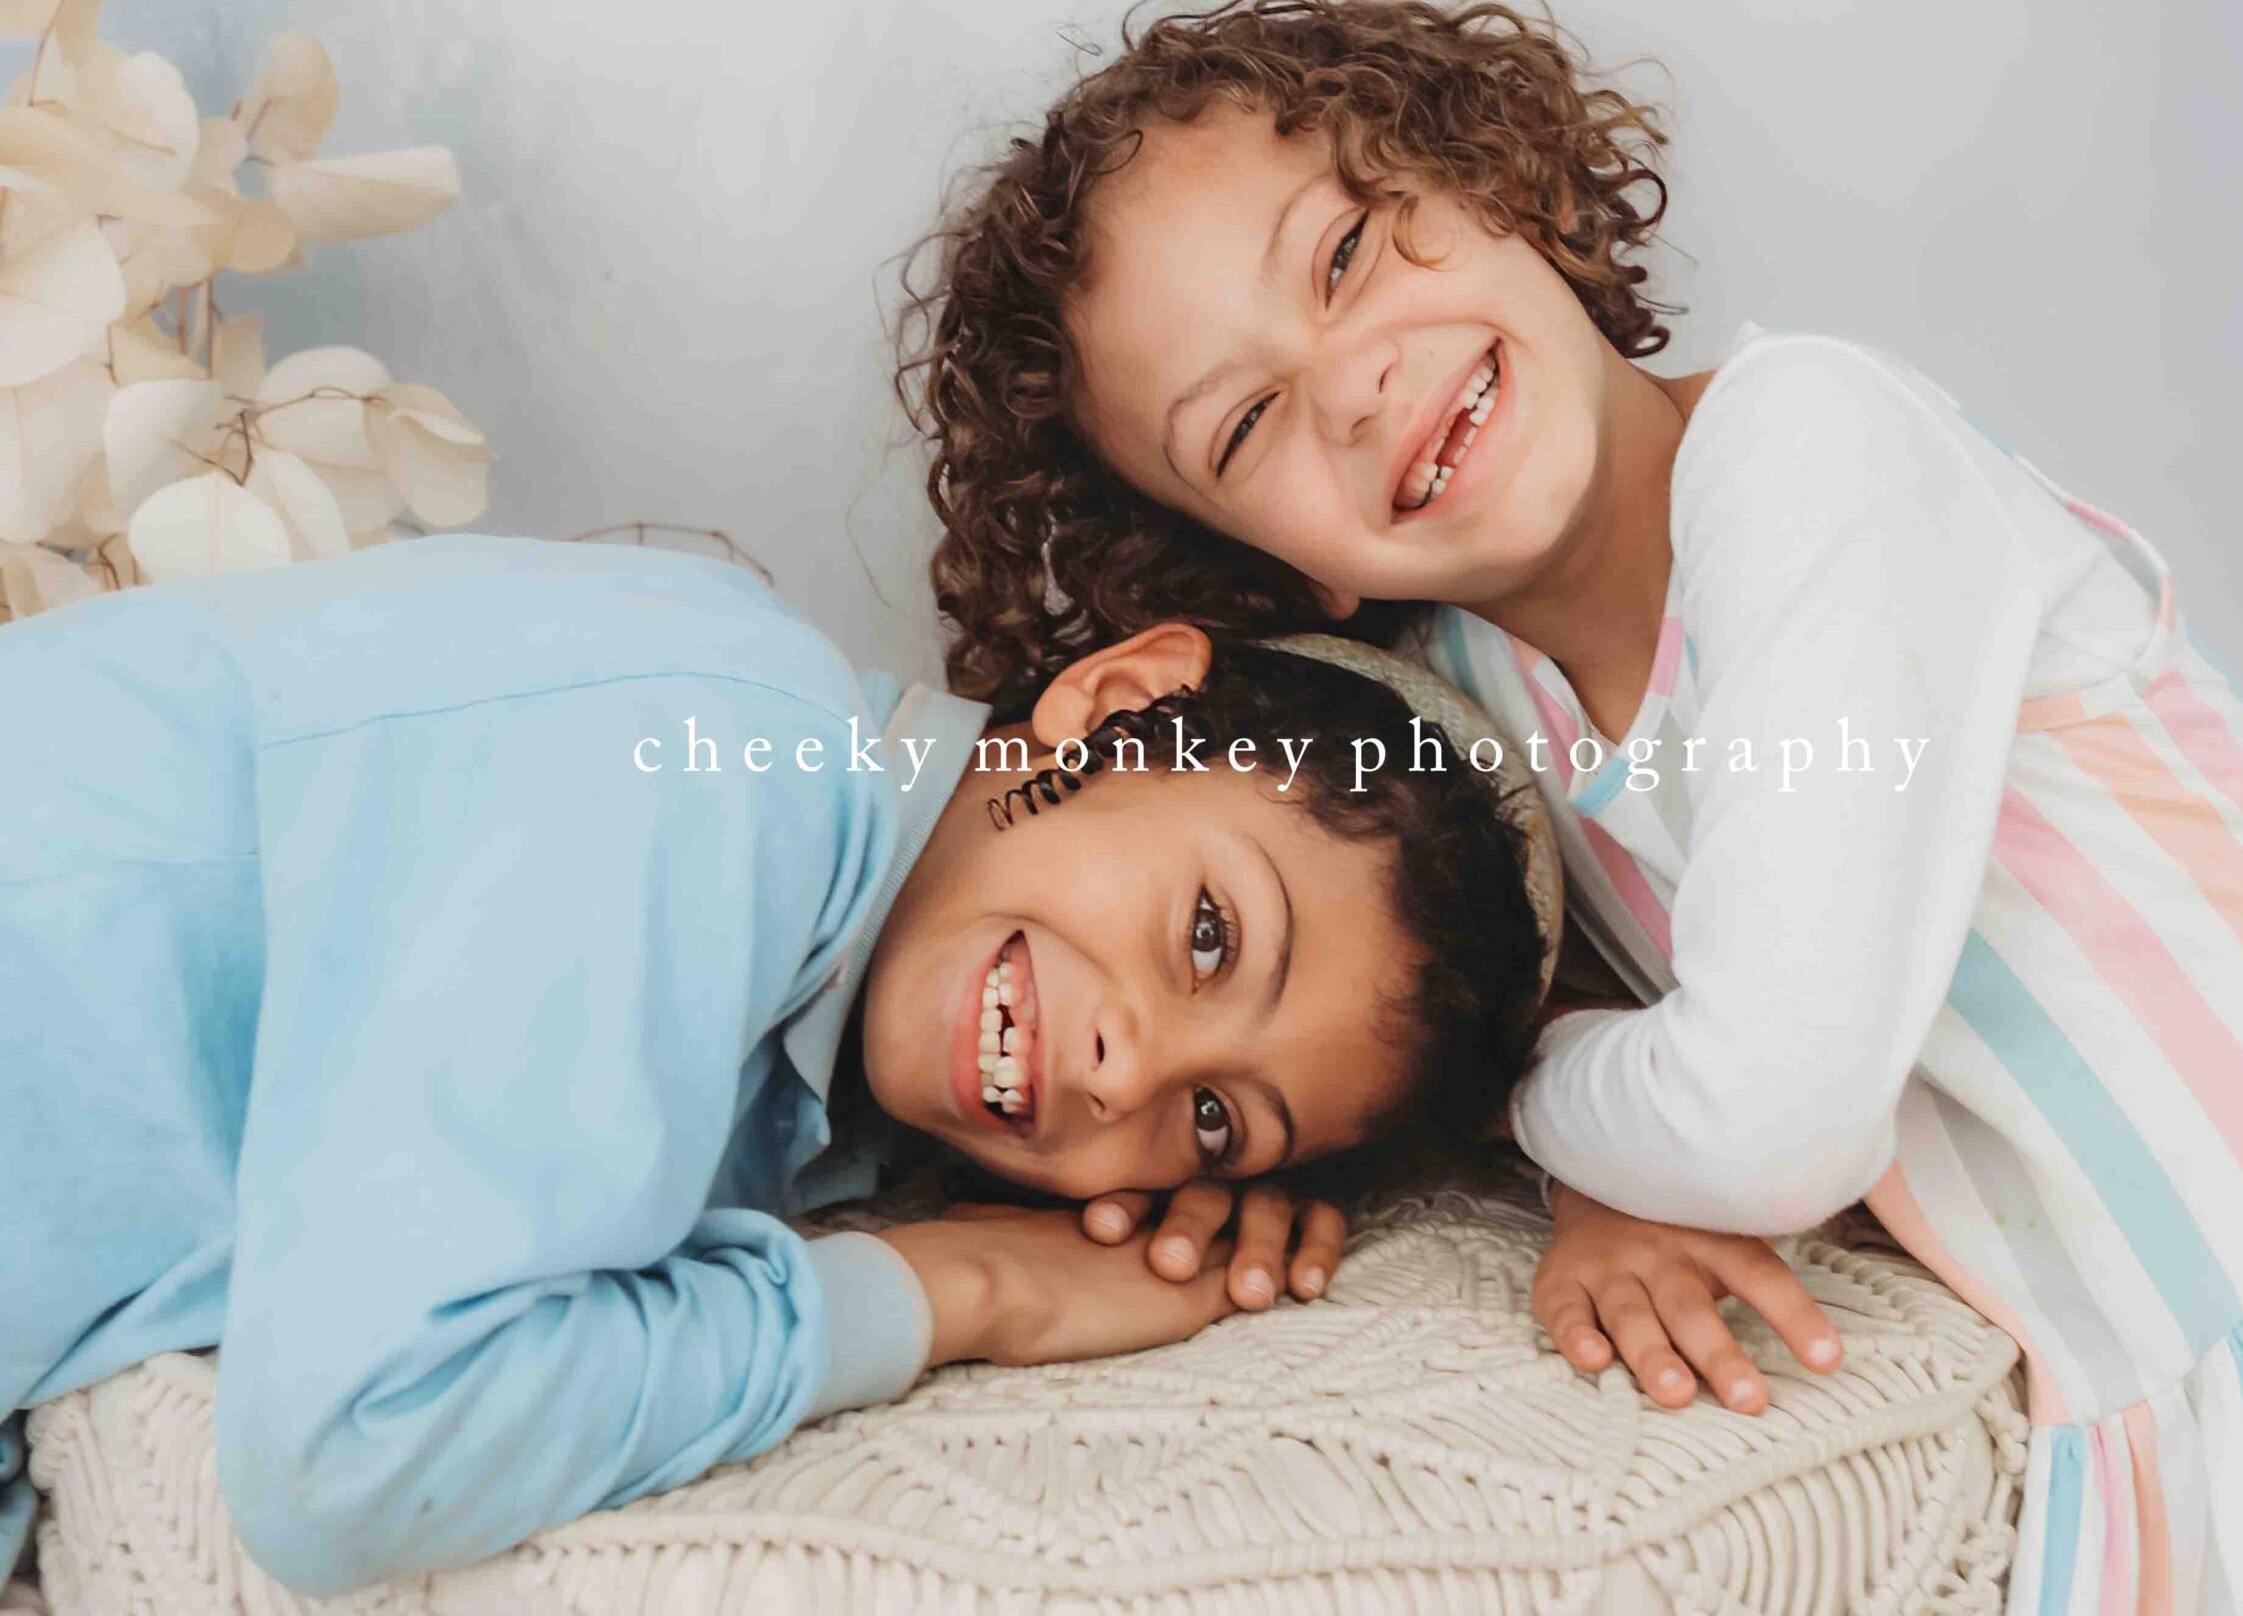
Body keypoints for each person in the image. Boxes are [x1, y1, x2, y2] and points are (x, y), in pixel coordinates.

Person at [901, 0, 2243, 1610]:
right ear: (1268, 570)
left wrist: (1536, 1106)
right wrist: (1312, 1150)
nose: (1351, 386)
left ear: (1492, 179)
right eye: (1248, 424)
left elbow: (1771, 1111)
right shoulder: (1472, 719)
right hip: (2162, 1410)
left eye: (1344, 256)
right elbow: (1418, 1034)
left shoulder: (1816, 453)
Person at [0, 531, 1560, 1596]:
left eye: (1214, 1119)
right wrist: (959, 1290)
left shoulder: (825, 1074)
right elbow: (356, 1449)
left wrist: (1197, 1215)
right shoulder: (726, 761)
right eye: (1210, 933)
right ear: (1113, 704)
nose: (1125, 1071)